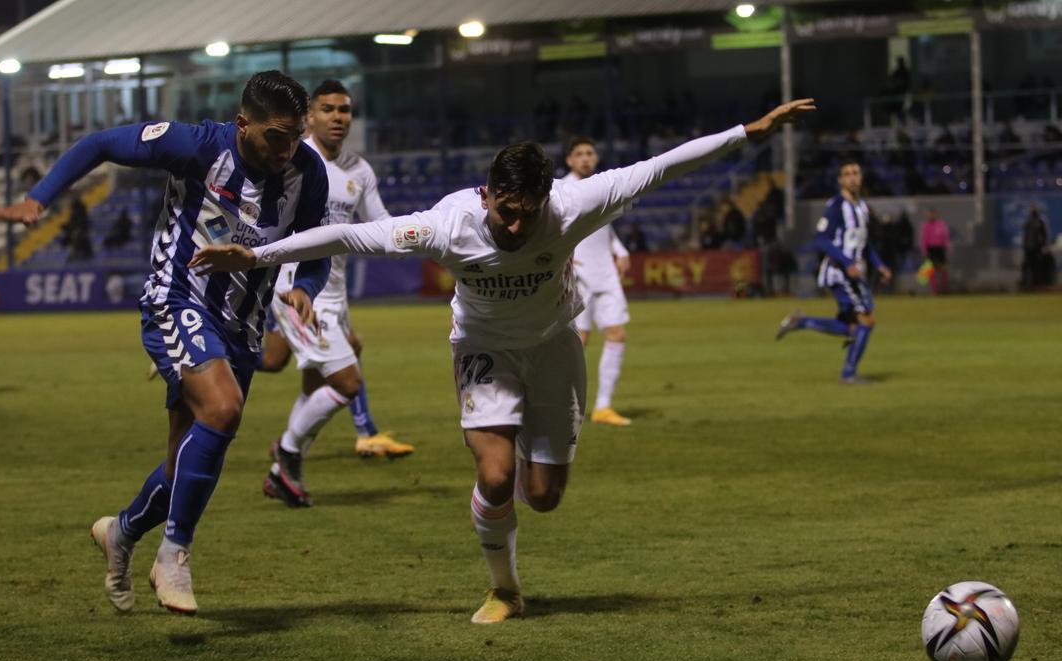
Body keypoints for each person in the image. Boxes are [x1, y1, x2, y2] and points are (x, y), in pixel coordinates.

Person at [190, 99, 816, 623]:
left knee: (542, 496)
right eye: (506, 211)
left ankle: (523, 475)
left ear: (547, 197)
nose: (516, 226)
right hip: (483, 350)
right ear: (488, 194)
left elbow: (660, 168)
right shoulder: (447, 224)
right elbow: (351, 236)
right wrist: (258, 256)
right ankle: (506, 589)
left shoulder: (573, 205)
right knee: (494, 477)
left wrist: (747, 132)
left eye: (528, 212)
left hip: (553, 349)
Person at [0, 71, 330, 616]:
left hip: (240, 329)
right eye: (277, 136)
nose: (289, 149)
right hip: (177, 299)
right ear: (244, 124)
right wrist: (39, 197)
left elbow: (315, 248)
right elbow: (100, 143)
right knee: (223, 408)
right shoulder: (196, 145)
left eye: (296, 135)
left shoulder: (308, 173)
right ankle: (174, 554)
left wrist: (307, 288)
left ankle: (121, 532)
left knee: (185, 463)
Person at [258, 80, 415, 508]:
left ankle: (288, 465)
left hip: (336, 294)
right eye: (327, 109)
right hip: (297, 291)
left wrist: (419, 235)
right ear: (309, 116)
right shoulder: (291, 158)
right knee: (346, 381)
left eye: (344, 110)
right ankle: (287, 456)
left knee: (309, 382)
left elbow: (380, 222)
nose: (337, 117)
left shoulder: (359, 171)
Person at [776, 160, 892, 384]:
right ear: (840, 180)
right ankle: (848, 374)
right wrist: (847, 261)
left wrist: (879, 265)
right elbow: (821, 239)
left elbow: (864, 244)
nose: (852, 177)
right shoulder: (836, 206)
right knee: (867, 320)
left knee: (852, 326)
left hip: (854, 271)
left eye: (856, 173)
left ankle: (802, 322)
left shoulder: (863, 208)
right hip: (840, 272)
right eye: (847, 174)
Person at [560, 136, 633, 427]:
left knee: (616, 334)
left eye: (590, 153)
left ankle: (603, 407)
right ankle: (564, 405)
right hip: (579, 277)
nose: (586, 158)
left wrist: (620, 250)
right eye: (579, 154)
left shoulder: (602, 186)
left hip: (607, 274)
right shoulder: (563, 190)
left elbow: (603, 227)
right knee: (579, 342)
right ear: (569, 160)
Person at [919, 208, 950, 294]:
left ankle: (945, 289)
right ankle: (934, 291)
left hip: (940, 249)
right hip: (931, 249)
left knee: (944, 270)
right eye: (929, 214)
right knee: (931, 271)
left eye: (932, 214)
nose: (931, 216)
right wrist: (924, 251)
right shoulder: (925, 225)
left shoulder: (941, 224)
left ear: (936, 214)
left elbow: (945, 236)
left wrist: (946, 246)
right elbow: (923, 239)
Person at [1021, 205, 1051, 289]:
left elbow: (1045, 235)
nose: (1033, 211)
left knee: (1038, 267)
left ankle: (1039, 284)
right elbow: (1026, 236)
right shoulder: (1028, 222)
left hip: (1037, 248)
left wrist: (1045, 246)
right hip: (1029, 248)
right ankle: (1028, 284)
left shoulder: (1041, 221)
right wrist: (1025, 246)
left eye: (1034, 210)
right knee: (1027, 266)